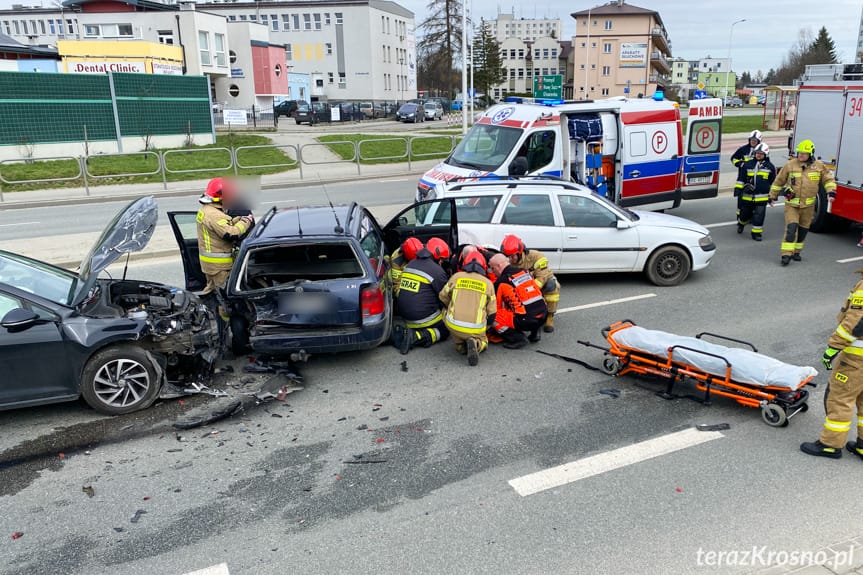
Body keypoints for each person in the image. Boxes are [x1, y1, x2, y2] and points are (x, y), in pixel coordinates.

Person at [801, 271, 863, 460]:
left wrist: (833, 348)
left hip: (856, 360)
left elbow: (856, 323)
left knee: (840, 399)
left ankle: (830, 445)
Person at [768, 139, 837, 266]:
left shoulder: (819, 166)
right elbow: (779, 181)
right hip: (792, 205)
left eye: (804, 153)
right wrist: (772, 196)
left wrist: (831, 192)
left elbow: (828, 180)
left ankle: (796, 252)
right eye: (799, 153)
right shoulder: (790, 165)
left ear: (810, 154)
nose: (800, 155)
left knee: (803, 230)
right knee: (791, 228)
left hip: (808, 206)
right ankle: (786, 254)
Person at [196, 177, 254, 295]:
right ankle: (223, 314)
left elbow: (222, 225)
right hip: (219, 266)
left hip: (211, 265)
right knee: (225, 296)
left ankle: (205, 309)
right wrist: (246, 221)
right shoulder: (215, 215)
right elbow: (231, 233)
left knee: (212, 291)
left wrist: (238, 219)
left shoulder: (207, 210)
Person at [393, 237, 450, 355]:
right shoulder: (437, 271)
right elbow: (445, 298)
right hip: (421, 319)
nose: (442, 263)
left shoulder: (411, 264)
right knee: (445, 329)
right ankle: (417, 337)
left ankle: (407, 332)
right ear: (437, 257)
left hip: (404, 316)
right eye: (442, 260)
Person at [439, 251, 497, 366]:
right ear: (483, 266)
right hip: (475, 328)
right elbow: (492, 313)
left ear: (464, 264)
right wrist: (485, 328)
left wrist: (450, 305)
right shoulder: (488, 284)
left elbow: (442, 297)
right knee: (484, 340)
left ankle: (460, 345)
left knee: (446, 312)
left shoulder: (456, 277)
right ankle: (477, 343)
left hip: (453, 324)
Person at [500, 234, 560, 332]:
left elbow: (542, 277)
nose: (509, 259)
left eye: (512, 256)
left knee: (552, 285)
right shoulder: (506, 262)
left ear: (520, 252)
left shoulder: (536, 256)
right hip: (521, 287)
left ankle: (549, 316)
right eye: (507, 256)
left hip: (539, 282)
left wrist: (529, 292)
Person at [486, 253, 548, 349]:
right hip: (543, 314)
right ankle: (535, 333)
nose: (493, 272)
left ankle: (517, 338)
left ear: (498, 266)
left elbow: (495, 307)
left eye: (493, 269)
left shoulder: (501, 281)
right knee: (530, 306)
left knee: (494, 316)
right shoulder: (524, 272)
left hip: (526, 320)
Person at [734, 143, 776, 241]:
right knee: (744, 215)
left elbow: (773, 182)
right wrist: (739, 189)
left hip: (762, 197)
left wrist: (772, 196)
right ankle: (741, 224)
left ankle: (756, 234)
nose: (758, 155)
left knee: (759, 216)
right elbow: (741, 178)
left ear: (766, 154)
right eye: (757, 153)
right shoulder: (747, 164)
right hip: (747, 196)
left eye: (761, 153)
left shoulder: (770, 167)